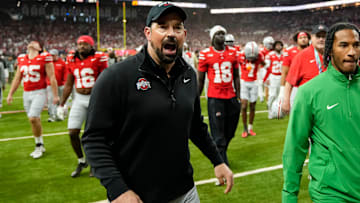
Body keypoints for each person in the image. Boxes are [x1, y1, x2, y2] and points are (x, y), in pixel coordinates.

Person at [82, 3, 233, 203]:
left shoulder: (188, 75)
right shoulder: (116, 77)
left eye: (177, 27)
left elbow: (195, 125)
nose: (171, 33)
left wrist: (218, 161)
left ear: (184, 35)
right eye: (162, 26)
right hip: (138, 196)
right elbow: (94, 138)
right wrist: (117, 189)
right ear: (148, 33)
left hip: (186, 191)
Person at [282, 22, 360, 202]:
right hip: (330, 193)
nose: (352, 52)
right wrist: (289, 195)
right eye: (343, 45)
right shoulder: (309, 92)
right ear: (330, 50)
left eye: (356, 45)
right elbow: (295, 146)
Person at [58, 35, 108, 177]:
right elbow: (68, 84)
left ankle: (95, 163)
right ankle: (82, 161)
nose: (81, 46)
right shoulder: (71, 59)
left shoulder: (99, 57)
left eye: (85, 44)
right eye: (79, 44)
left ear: (91, 46)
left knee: (94, 134)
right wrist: (62, 104)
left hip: (95, 98)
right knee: (73, 132)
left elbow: (106, 79)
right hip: (79, 98)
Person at [7, 41, 59, 158]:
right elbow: (17, 78)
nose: (31, 43)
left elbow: (52, 76)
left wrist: (55, 95)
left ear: (39, 48)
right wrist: (10, 94)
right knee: (35, 120)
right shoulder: (21, 58)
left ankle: (38, 146)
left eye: (35, 43)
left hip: (39, 92)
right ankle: (40, 142)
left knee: (33, 118)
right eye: (30, 43)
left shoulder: (44, 57)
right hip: (26, 93)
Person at [198, 25, 240, 165]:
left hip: (231, 96)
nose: (221, 36)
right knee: (218, 133)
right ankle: (222, 162)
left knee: (230, 132)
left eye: (223, 33)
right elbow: (201, 78)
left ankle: (221, 150)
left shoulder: (233, 53)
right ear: (212, 37)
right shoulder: (205, 54)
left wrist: (238, 96)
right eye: (218, 34)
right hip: (215, 97)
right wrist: (197, 97)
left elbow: (236, 76)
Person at [282, 25, 327, 114]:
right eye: (318, 37)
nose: (321, 39)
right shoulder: (301, 56)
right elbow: (290, 81)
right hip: (308, 102)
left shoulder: (333, 55)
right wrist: (286, 101)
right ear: (312, 38)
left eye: (324, 37)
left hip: (328, 100)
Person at [275, 31, 310, 117]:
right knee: (295, 115)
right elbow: (285, 72)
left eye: (305, 38)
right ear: (297, 40)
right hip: (295, 87)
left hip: (311, 86)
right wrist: (282, 91)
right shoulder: (290, 52)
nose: (303, 40)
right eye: (301, 38)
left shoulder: (315, 51)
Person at [238, 41, 265, 138]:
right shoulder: (240, 56)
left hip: (254, 82)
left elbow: (264, 63)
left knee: (252, 106)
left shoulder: (260, 56)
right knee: (244, 106)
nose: (251, 59)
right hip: (244, 82)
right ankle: (245, 129)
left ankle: (250, 127)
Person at [262, 41, 284, 118]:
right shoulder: (270, 55)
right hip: (273, 76)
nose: (278, 47)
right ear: (274, 46)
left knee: (280, 95)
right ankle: (270, 111)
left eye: (280, 45)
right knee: (273, 95)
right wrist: (267, 77)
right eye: (277, 45)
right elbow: (266, 67)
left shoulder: (284, 55)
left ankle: (278, 112)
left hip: (281, 76)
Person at [47, 49, 67, 122]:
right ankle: (52, 116)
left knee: (61, 101)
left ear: (56, 55)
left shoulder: (62, 63)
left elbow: (66, 73)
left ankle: (61, 114)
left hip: (60, 85)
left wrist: (65, 82)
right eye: (50, 55)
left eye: (53, 55)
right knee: (51, 101)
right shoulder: (48, 63)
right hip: (50, 85)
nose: (51, 57)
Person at [258, 36, 274, 102]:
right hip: (263, 70)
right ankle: (261, 96)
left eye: (271, 44)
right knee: (260, 83)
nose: (271, 45)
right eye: (269, 43)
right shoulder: (262, 51)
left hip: (270, 70)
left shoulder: (273, 51)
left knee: (268, 84)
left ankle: (267, 98)